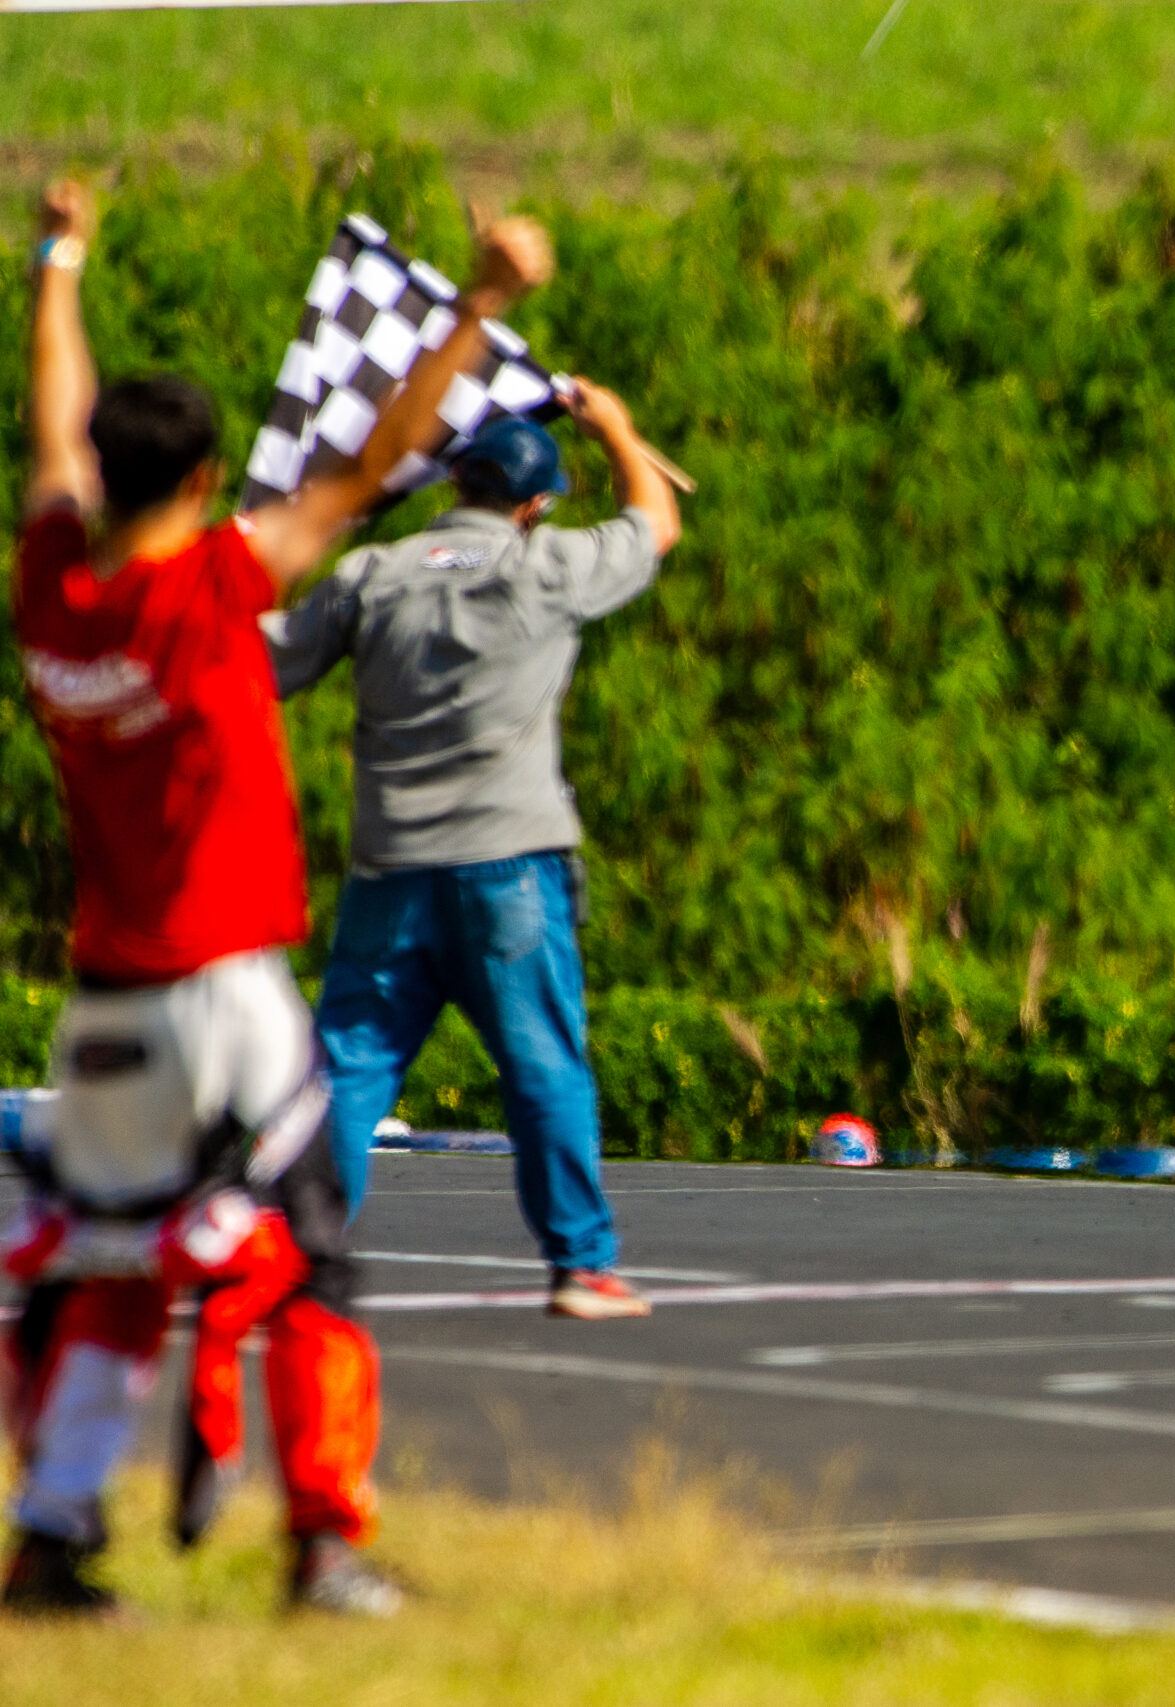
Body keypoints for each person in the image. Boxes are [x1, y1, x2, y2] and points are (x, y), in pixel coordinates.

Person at [2, 179, 554, 1615]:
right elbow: (367, 462)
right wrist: (479, 306)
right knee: (311, 1260)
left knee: (117, 1267)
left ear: (100, 481)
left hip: (107, 990)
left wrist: (60, 259)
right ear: (197, 489)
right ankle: (321, 1539)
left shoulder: (54, 585)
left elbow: (49, 421)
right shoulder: (211, 591)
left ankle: (55, 1532)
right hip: (225, 986)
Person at [267, 379, 680, 1321]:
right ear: (534, 505)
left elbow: (268, 660)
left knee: (346, 1073)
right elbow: (655, 524)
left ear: (454, 483)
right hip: (511, 869)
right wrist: (615, 422)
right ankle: (581, 1266)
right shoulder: (549, 568)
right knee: (544, 1070)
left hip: (388, 872)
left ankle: (292, 1259)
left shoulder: (373, 575)